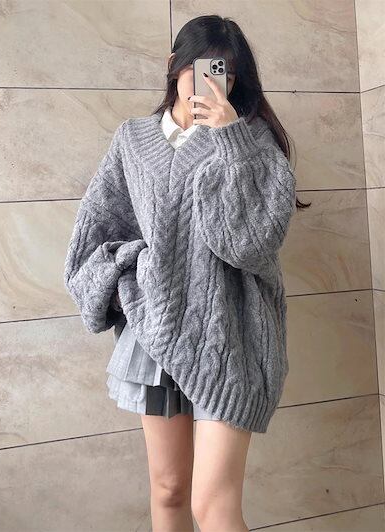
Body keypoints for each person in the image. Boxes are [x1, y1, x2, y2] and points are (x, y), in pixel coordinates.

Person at [64, 14, 310, 532]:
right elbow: (91, 241)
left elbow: (251, 244)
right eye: (201, 69)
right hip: (156, 332)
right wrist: (132, 273)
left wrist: (231, 141)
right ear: (173, 65)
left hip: (230, 336)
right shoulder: (133, 140)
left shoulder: (253, 141)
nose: (213, 84)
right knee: (169, 490)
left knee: (214, 506)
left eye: (226, 74)